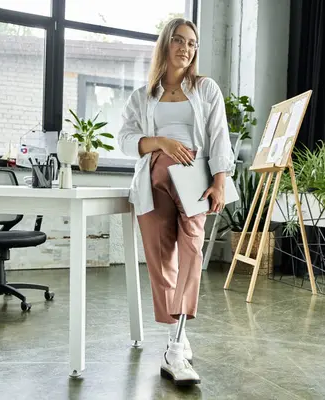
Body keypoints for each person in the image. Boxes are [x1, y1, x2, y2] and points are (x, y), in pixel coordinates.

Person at [117, 18, 234, 386]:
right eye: (180, 41)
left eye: (193, 43)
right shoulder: (142, 96)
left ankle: (175, 349)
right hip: (154, 180)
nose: (186, 48)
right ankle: (176, 339)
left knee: (192, 251)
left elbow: (218, 136)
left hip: (194, 178)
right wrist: (161, 143)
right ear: (166, 44)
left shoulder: (205, 88)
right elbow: (125, 139)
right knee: (160, 258)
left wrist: (219, 182)